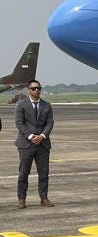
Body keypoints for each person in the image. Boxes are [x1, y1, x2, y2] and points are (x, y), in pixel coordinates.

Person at [15, 79, 54, 209]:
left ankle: (44, 198)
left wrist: (42, 136)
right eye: (33, 88)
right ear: (28, 90)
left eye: (38, 88)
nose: (36, 90)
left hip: (42, 144)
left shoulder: (46, 105)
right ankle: (22, 199)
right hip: (26, 144)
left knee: (44, 173)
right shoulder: (21, 104)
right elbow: (19, 123)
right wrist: (31, 136)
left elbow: (50, 123)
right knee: (23, 173)